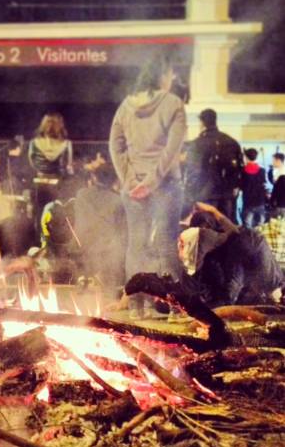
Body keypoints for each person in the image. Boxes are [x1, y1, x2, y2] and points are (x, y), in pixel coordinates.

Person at [109, 53, 186, 316]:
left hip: (132, 188)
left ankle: (137, 306)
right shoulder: (174, 103)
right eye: (170, 74)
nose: (172, 78)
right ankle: (178, 309)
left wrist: (130, 180)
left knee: (136, 244)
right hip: (165, 185)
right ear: (162, 75)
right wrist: (152, 182)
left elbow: (115, 146)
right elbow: (172, 149)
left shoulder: (125, 106)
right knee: (165, 242)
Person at [179, 203, 283, 306]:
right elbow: (233, 232)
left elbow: (234, 282)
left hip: (266, 293)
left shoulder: (235, 243)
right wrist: (214, 211)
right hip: (271, 287)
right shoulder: (234, 236)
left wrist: (224, 302)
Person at [74, 163, 126, 299]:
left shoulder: (82, 194)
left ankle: (84, 281)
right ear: (115, 180)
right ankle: (109, 289)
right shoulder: (118, 200)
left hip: (83, 244)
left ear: (94, 177)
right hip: (107, 248)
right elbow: (122, 229)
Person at [184, 108, 243, 222]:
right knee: (227, 229)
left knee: (206, 230)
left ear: (201, 122)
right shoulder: (231, 142)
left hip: (204, 195)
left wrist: (190, 195)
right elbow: (239, 169)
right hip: (227, 196)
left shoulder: (197, 144)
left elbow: (193, 172)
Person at [28, 113, 73, 234]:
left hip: (39, 183)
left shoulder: (34, 143)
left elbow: (31, 163)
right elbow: (67, 166)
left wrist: (42, 172)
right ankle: (54, 244)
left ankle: (39, 242)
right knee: (55, 215)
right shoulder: (66, 144)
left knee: (38, 215)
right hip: (57, 185)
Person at [240, 148, 268, 228]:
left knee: (247, 226)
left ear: (246, 157)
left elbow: (241, 186)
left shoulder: (242, 171)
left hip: (248, 202)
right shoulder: (262, 170)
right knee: (260, 226)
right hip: (260, 201)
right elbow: (264, 184)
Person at [269, 152, 285, 218]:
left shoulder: (282, 173)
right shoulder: (277, 171)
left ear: (278, 161)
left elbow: (278, 189)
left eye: (273, 161)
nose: (272, 163)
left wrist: (272, 200)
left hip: (280, 204)